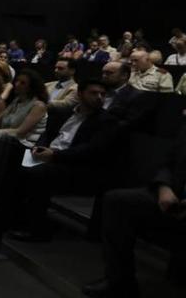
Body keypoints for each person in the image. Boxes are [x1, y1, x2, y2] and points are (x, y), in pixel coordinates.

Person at [8, 79, 118, 242]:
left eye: (102, 94)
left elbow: (91, 150)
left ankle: (37, 229)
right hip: (50, 156)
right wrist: (39, 148)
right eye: (94, 93)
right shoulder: (65, 114)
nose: (99, 97)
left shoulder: (106, 120)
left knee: (39, 174)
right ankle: (9, 217)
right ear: (80, 94)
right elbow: (47, 134)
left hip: (77, 167)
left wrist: (54, 155)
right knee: (10, 161)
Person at [82, 126, 186, 298]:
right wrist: (163, 187)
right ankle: (119, 281)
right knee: (117, 202)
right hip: (173, 195)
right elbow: (167, 163)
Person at [0, 69, 49, 141]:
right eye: (17, 81)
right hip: (8, 140)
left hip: (25, 144)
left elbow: (20, 132)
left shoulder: (39, 106)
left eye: (22, 83)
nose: (17, 84)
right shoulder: (17, 100)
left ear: (31, 87)